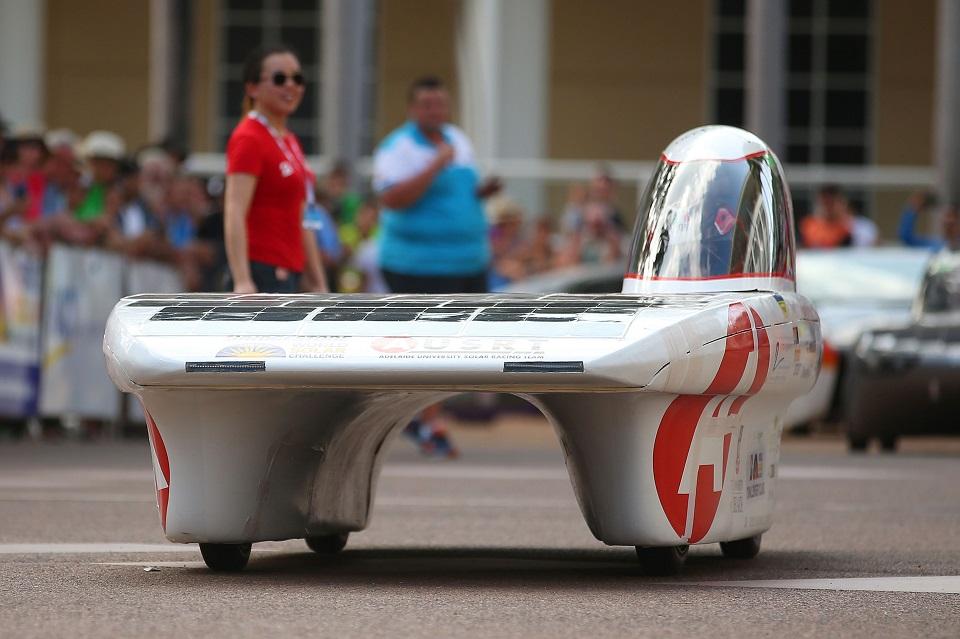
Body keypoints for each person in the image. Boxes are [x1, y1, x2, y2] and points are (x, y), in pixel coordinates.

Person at [373, 75, 502, 457]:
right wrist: (434, 166)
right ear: (413, 109)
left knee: (457, 348)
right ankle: (422, 418)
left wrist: (482, 193)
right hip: (417, 264)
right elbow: (392, 199)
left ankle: (425, 417)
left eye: (441, 104)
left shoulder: (458, 139)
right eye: (427, 105)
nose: (436, 112)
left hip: (467, 261)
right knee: (424, 347)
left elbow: (460, 192)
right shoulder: (397, 149)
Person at [224, 44, 327, 294]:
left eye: (297, 78)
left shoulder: (289, 139)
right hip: (262, 270)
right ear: (252, 87)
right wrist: (242, 280)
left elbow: (303, 213)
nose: (291, 85)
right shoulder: (249, 136)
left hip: (289, 269)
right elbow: (234, 208)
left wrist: (317, 280)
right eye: (280, 78)